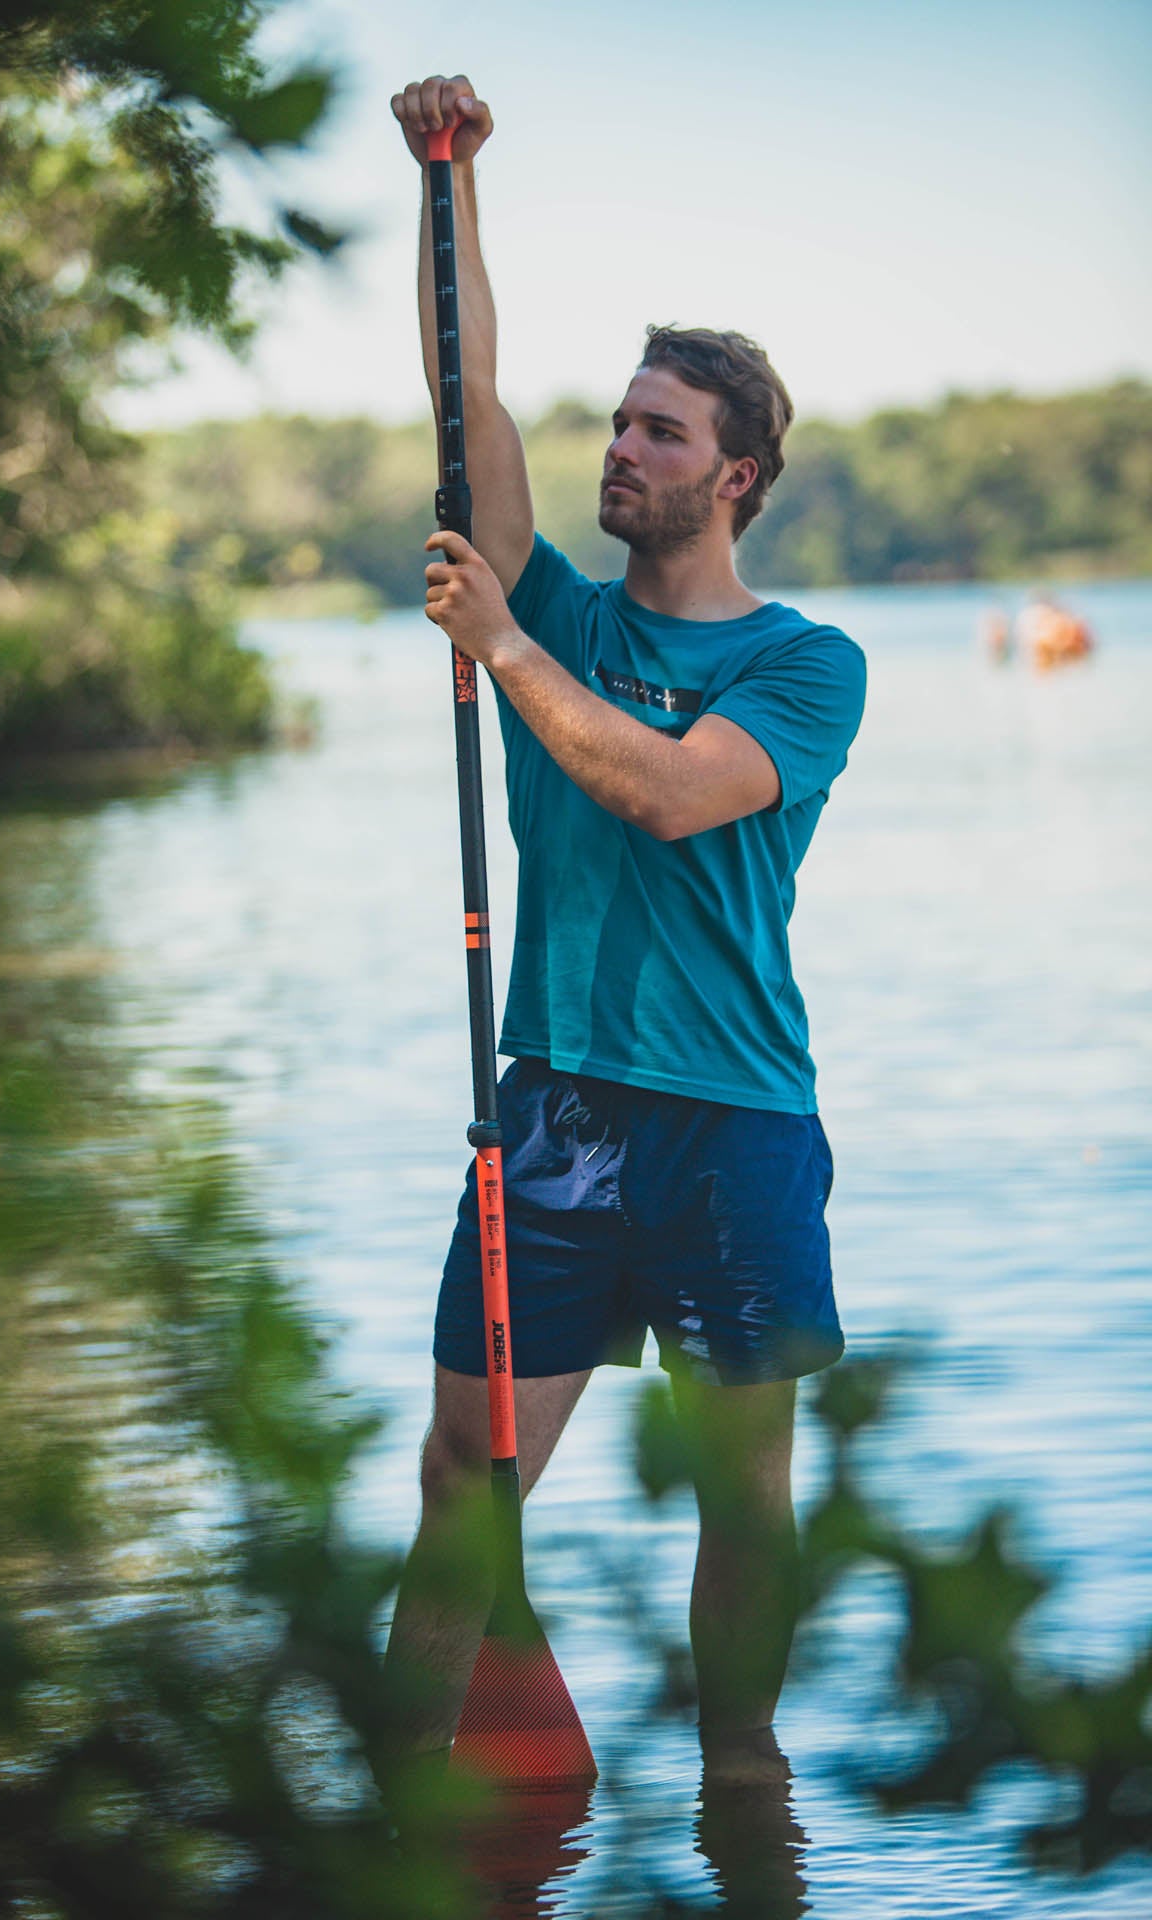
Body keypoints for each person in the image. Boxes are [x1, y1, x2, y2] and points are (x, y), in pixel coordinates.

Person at [385, 74, 867, 1784]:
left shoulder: (805, 666)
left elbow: (665, 792)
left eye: (660, 433)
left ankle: (744, 1781)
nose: (620, 449)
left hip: (736, 1124)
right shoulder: (565, 600)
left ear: (734, 476)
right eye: (619, 421)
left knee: (742, 1498)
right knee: (464, 1470)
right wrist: (448, 185)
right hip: (559, 1109)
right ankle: (402, 1802)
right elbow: (470, 402)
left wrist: (506, 651)